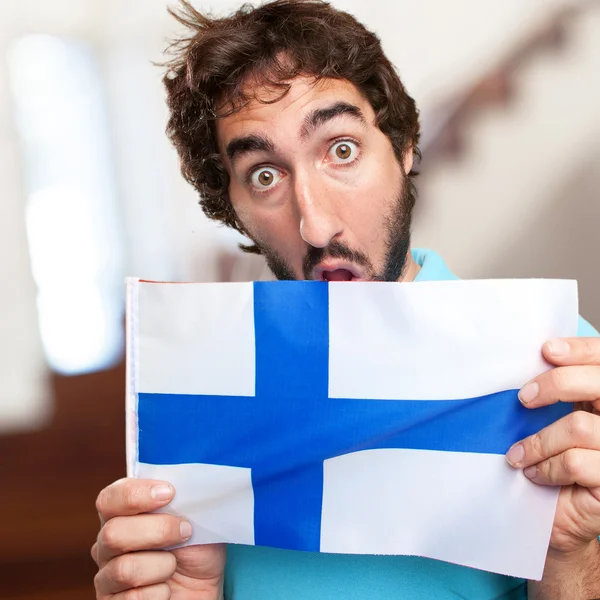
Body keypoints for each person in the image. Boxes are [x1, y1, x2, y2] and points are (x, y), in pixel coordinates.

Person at [92, 1, 600, 598]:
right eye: (264, 174)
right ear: (234, 208)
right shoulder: (205, 387)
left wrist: (575, 556)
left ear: (404, 146)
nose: (315, 224)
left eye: (341, 149)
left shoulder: (563, 365)